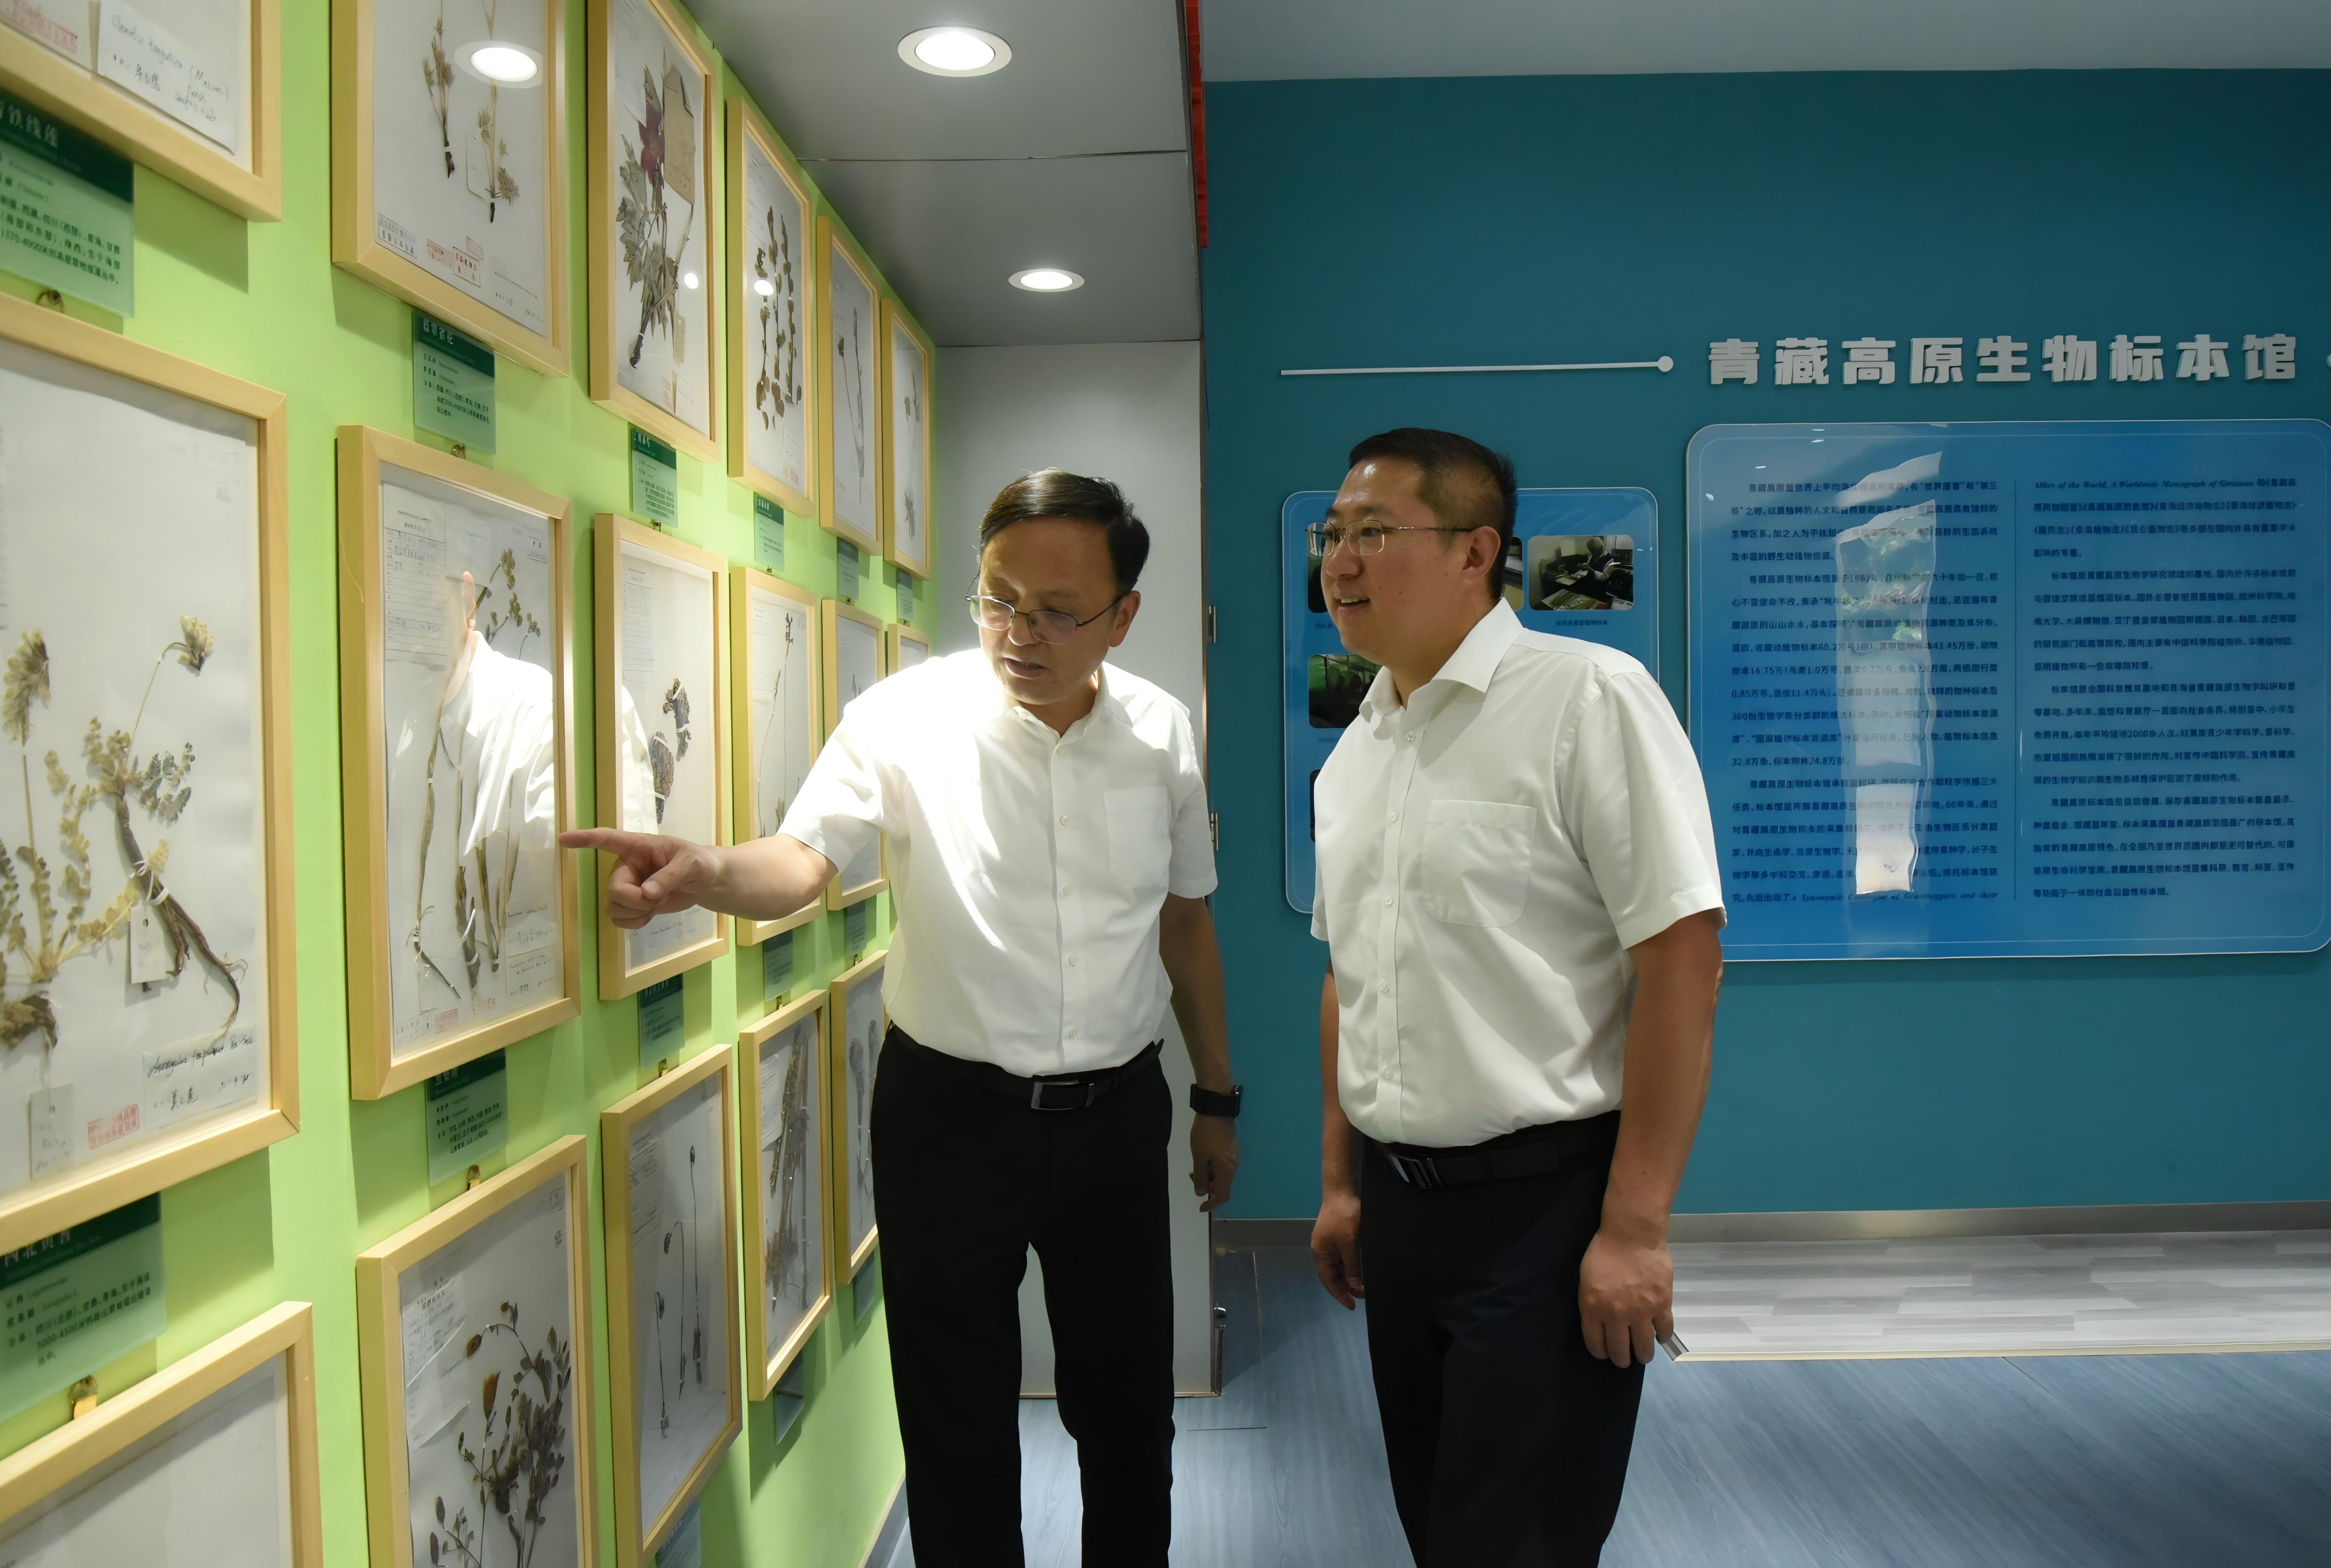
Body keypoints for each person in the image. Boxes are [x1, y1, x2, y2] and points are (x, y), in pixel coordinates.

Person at [561, 470, 1241, 1566]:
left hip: (1117, 1118)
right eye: (998, 599)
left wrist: (1216, 1095)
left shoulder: (1162, 730)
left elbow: (1187, 922)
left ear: (1122, 616)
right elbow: (803, 860)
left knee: (1127, 1417)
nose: (1019, 632)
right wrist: (709, 872)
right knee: (954, 1424)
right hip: (948, 1120)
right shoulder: (904, 715)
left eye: (1057, 611)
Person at [1305, 428, 1724, 1567]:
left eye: (1373, 532)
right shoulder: (1360, 747)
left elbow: (1682, 956)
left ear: (1475, 551)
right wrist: (1341, 1181)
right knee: (1437, 1527)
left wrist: (1634, 1228)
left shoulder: (1587, 698)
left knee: (1516, 1544)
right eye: (1333, 534)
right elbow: (1350, 975)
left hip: (1545, 1214)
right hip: (1401, 1213)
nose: (1340, 560)